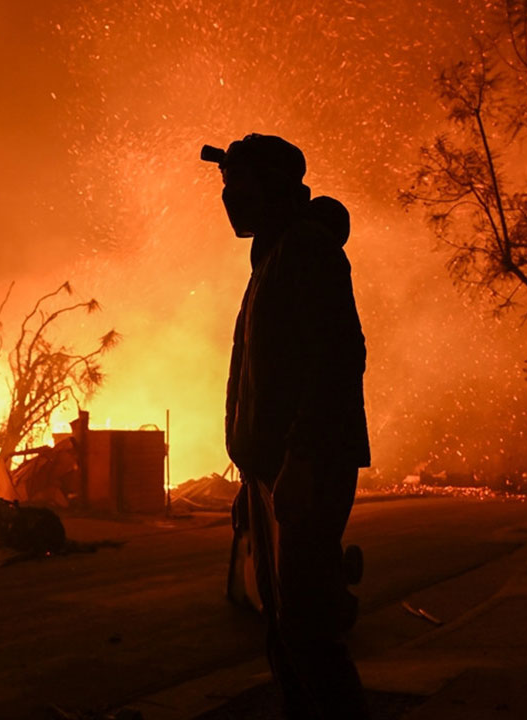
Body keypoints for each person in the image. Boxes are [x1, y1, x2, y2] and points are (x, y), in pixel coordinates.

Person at [204, 134, 371, 719]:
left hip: (305, 467)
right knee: (283, 631)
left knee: (306, 632)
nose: (229, 201)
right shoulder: (273, 257)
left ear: (272, 186)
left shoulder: (305, 250)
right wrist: (251, 477)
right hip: (273, 472)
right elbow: (258, 375)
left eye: (239, 187)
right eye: (226, 189)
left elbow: (336, 358)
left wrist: (301, 458)